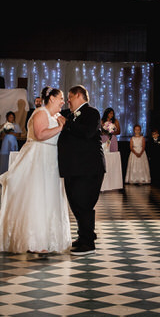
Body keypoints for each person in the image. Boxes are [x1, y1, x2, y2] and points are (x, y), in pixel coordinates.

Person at [0, 88, 71, 253]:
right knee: (37, 196)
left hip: (51, 160)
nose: (63, 101)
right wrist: (60, 128)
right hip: (38, 158)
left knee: (50, 197)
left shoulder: (56, 115)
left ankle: (50, 240)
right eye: (61, 98)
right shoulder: (41, 113)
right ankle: (35, 241)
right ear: (52, 98)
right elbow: (40, 135)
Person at [58, 85, 104, 253]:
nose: (68, 101)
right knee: (76, 203)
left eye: (69, 97)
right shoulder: (70, 115)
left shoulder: (92, 113)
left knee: (84, 203)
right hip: (74, 168)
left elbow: (88, 133)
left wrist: (68, 123)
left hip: (89, 168)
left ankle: (88, 243)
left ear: (78, 95)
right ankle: (84, 235)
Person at [100, 107, 123, 192]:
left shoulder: (115, 121)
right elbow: (100, 131)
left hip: (112, 139)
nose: (111, 115)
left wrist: (112, 131)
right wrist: (105, 130)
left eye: (112, 113)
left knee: (113, 156)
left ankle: (113, 181)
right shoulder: (102, 121)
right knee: (105, 156)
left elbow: (119, 131)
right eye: (109, 113)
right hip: (104, 138)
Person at [0, 111, 21, 177]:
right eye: (10, 117)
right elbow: (1, 135)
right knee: (5, 157)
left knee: (13, 157)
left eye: (12, 117)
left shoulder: (16, 125)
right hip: (6, 143)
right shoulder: (5, 125)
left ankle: (13, 175)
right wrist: (5, 131)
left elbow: (19, 135)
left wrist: (11, 132)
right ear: (7, 118)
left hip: (13, 143)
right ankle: (4, 175)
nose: (11, 118)